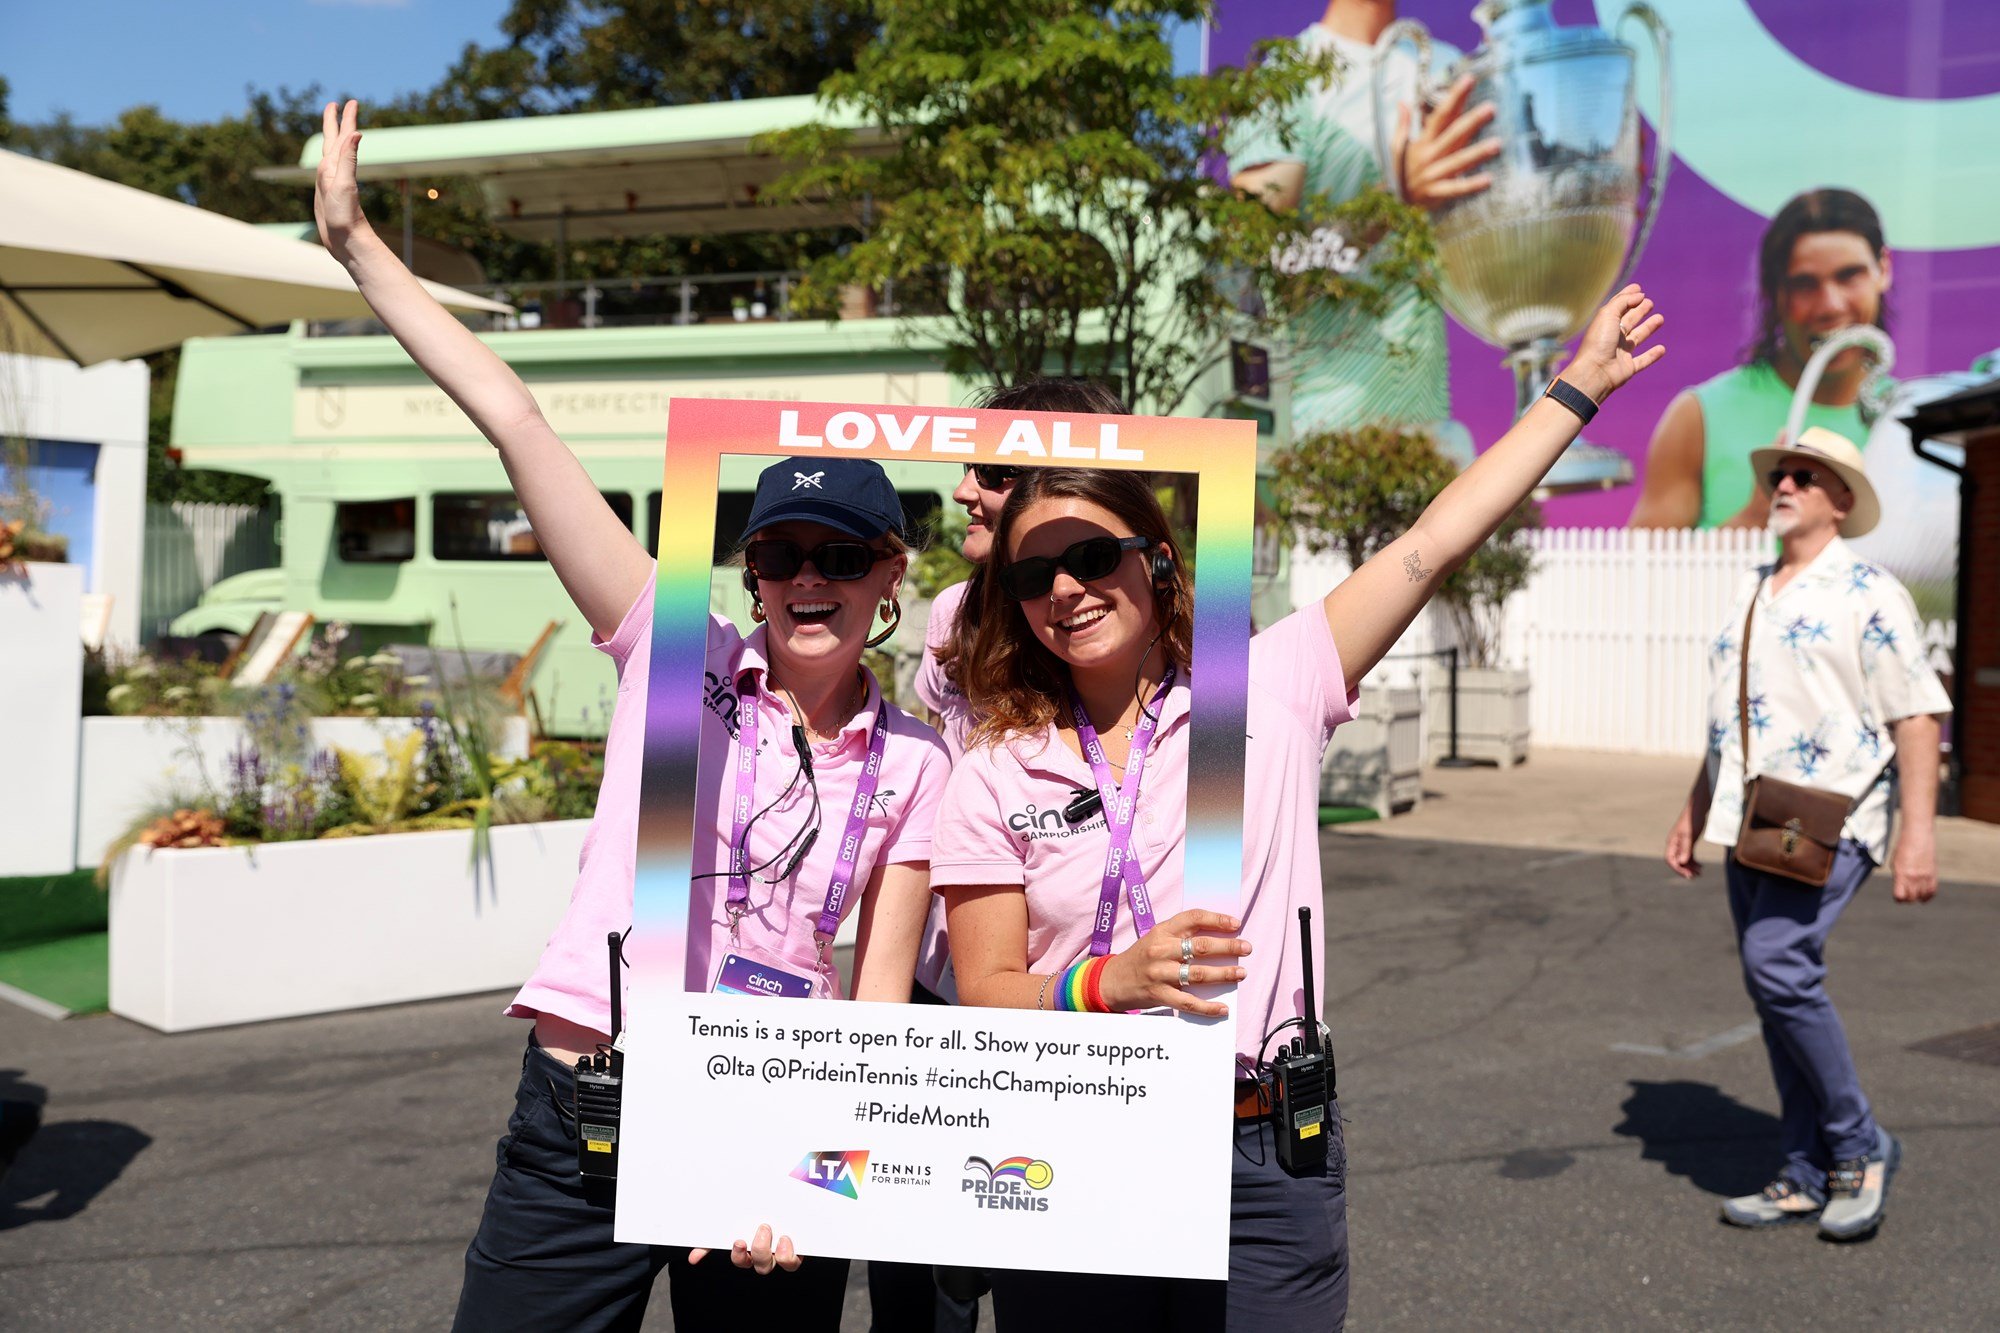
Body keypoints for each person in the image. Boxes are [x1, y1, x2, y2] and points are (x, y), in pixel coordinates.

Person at [312, 100, 949, 1331]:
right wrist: (357, 248)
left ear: (887, 578)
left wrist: (809, 1175)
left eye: (841, 553)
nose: (807, 578)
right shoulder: (675, 652)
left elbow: (877, 1002)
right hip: (590, 1102)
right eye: (779, 554)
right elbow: (516, 419)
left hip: (773, 1123)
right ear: (750, 571)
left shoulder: (918, 760)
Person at [931, 287, 1666, 1329]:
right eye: (1035, 572)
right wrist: (1109, 980)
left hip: (1259, 1157)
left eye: (1092, 558)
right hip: (1073, 1142)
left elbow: (1432, 541)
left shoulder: (1264, 688)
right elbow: (986, 989)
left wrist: (1576, 387)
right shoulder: (996, 768)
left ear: (1156, 561)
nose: (1065, 590)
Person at [1664, 427, 1948, 1241]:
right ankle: (1803, 1168)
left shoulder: (1868, 590)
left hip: (1832, 817)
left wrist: (1918, 837)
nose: (1784, 482)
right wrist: (1693, 805)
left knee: (1777, 965)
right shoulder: (1754, 591)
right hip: (1748, 820)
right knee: (1772, 987)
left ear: (1842, 500)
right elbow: (1729, 719)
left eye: (1804, 475)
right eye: (1780, 472)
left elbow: (1917, 716)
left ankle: (1859, 1146)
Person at [1227, 0, 1500, 444]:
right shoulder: (1286, 79)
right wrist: (1394, 198)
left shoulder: (1453, 70)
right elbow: (1260, 273)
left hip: (1430, 429)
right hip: (1316, 436)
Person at [1628, 188, 1891, 529]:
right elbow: (1639, 577)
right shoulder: (1698, 417)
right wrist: (1752, 519)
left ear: (1883, 269)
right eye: (1805, 284)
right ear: (1773, 291)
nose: (1831, 305)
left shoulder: (1907, 421)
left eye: (1849, 276)